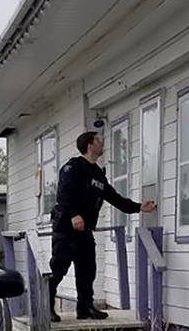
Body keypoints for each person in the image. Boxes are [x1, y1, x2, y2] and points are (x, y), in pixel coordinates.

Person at [48, 130, 155, 321]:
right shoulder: (72, 168)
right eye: (98, 140)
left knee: (88, 269)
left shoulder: (97, 173)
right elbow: (63, 195)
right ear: (90, 145)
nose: (102, 142)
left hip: (84, 231)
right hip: (66, 228)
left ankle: (85, 308)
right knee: (58, 269)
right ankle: (46, 307)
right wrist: (73, 215)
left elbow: (115, 198)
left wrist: (139, 207)